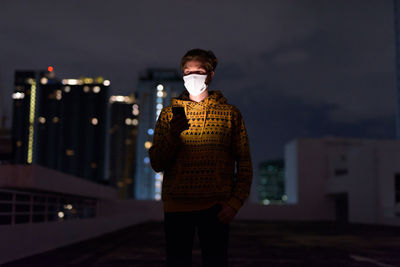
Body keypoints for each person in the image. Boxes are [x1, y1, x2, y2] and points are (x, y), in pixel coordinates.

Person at [149, 48, 253, 267]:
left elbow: (244, 162)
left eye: (199, 71)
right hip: (177, 206)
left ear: (211, 74)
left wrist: (234, 203)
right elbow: (157, 163)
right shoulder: (168, 115)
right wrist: (172, 135)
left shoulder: (230, 114)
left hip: (216, 208)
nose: (192, 76)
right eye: (187, 72)